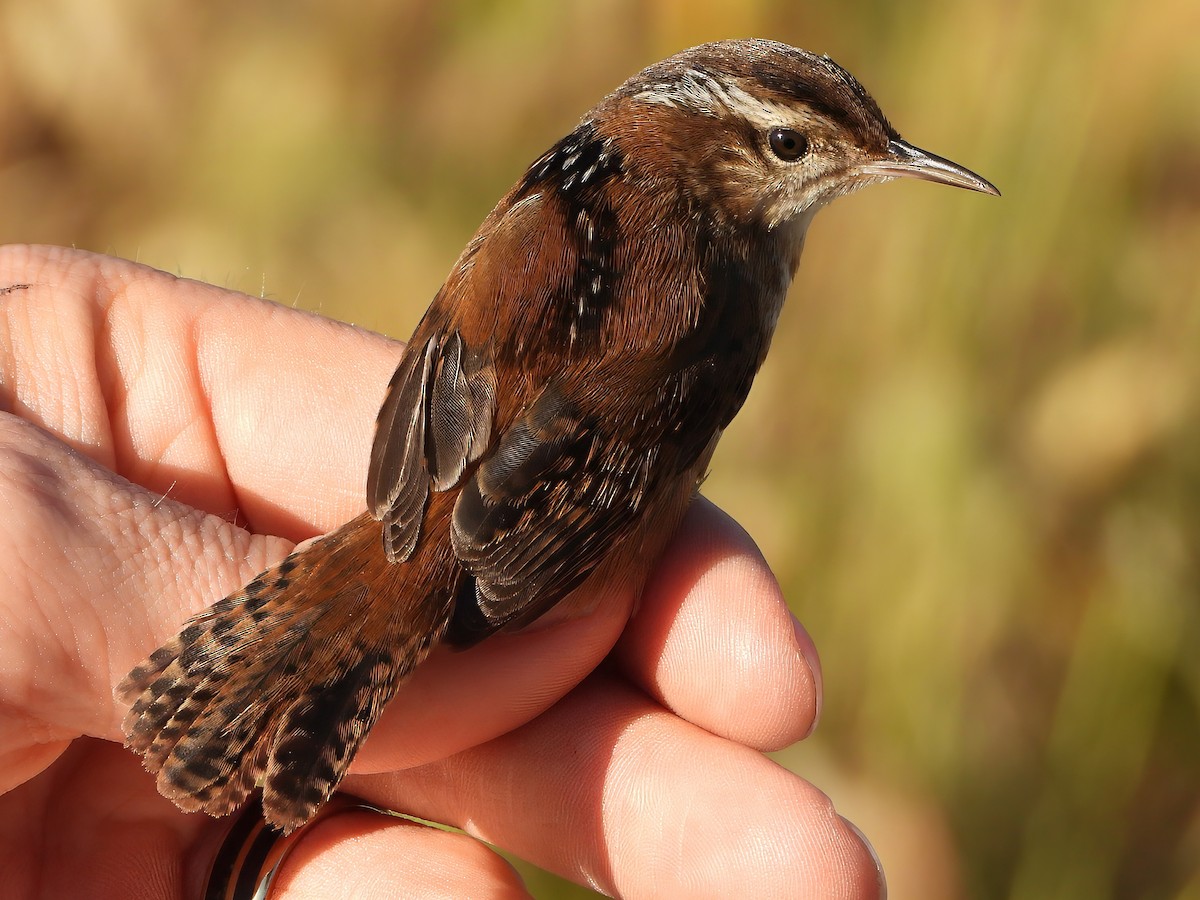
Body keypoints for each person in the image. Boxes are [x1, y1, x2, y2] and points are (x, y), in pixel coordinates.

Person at [0, 244, 883, 899]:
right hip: (485, 535)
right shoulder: (714, 300)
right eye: (787, 146)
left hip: (433, 455)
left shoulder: (544, 219)